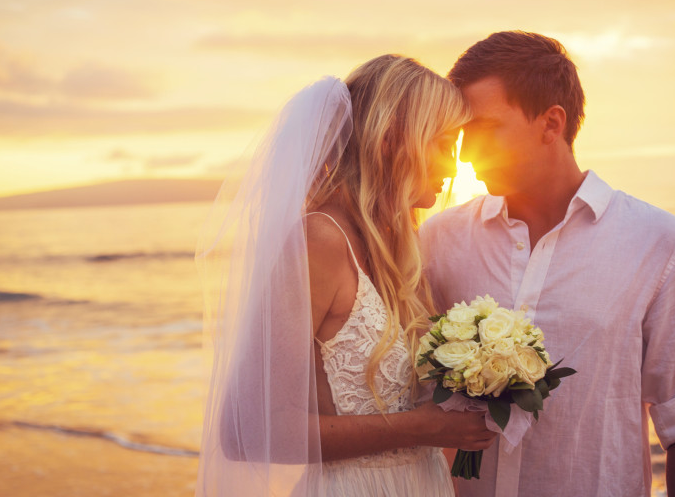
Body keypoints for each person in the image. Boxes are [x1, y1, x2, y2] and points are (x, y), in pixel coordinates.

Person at [420, 31, 675, 496]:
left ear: (551, 123)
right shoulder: (438, 240)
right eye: (461, 135)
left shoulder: (661, 243)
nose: (467, 153)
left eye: (484, 130)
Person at [195, 55, 497, 497]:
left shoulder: (400, 248)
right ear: (394, 137)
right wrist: (418, 427)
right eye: (442, 144)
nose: (452, 168)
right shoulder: (318, 241)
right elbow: (247, 431)